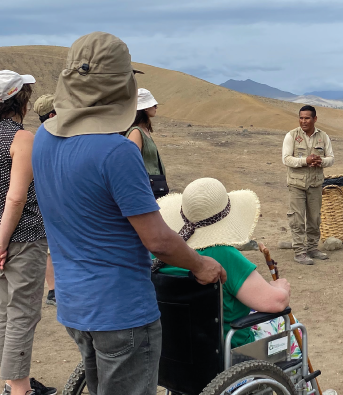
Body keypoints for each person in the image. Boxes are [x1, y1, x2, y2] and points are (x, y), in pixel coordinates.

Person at [31, 32, 226, 395]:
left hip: (75, 305)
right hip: (121, 310)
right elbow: (158, 240)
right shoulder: (116, 152)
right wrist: (201, 266)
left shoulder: (43, 137)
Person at [155, 178, 292, 348]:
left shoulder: (162, 257)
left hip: (176, 355)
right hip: (229, 353)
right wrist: (280, 287)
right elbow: (276, 302)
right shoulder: (222, 256)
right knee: (292, 329)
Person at [0, 70, 56, 395]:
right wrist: (3, 241)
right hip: (23, 237)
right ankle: (20, 389)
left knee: (4, 312)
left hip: (4, 236)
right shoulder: (22, 139)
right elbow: (17, 196)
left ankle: (11, 383)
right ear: (20, 100)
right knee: (22, 313)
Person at [282, 105, 334, 265]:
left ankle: (312, 248)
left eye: (307, 118)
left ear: (314, 119)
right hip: (296, 184)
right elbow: (286, 159)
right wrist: (305, 161)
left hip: (315, 184)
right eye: (301, 118)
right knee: (297, 219)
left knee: (315, 218)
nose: (303, 121)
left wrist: (321, 161)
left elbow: (331, 158)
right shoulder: (291, 135)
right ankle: (299, 251)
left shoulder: (323, 136)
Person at [32, 94, 57, 307]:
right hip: (51, 198)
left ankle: (54, 290)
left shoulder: (39, 136)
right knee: (50, 245)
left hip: (47, 196)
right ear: (52, 114)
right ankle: (53, 291)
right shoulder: (51, 135)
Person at [124, 88, 168, 198]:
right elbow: (131, 164)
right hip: (146, 190)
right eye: (154, 105)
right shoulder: (136, 132)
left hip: (154, 187)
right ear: (145, 108)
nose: (156, 107)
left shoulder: (145, 130)